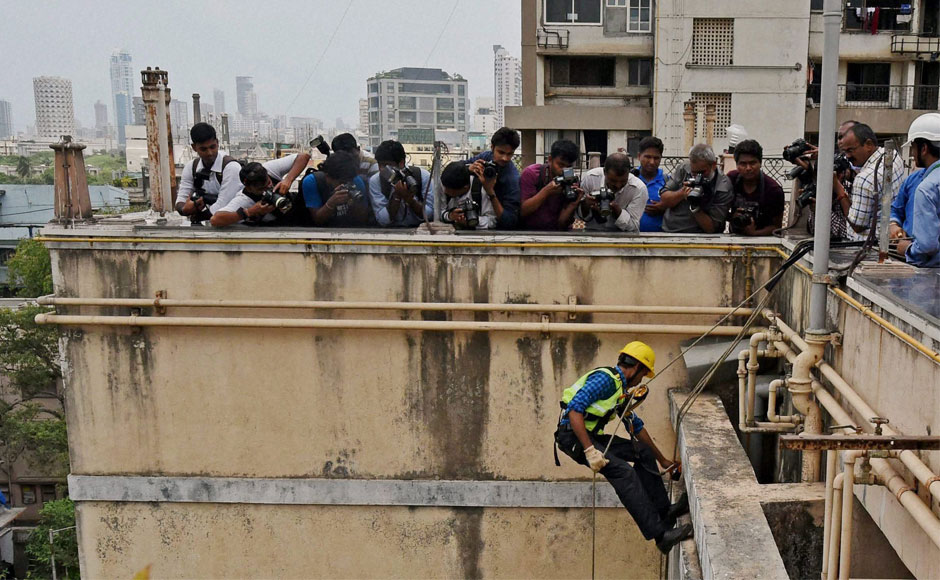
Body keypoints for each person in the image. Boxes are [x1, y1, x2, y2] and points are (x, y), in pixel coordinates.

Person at [554, 341, 692, 554]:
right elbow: (574, 411)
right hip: (573, 437)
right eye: (643, 375)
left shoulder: (619, 389)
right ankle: (661, 536)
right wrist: (590, 451)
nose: (641, 381)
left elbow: (635, 426)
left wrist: (663, 460)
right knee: (624, 473)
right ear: (636, 368)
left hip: (590, 437)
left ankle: (665, 511)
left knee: (643, 452)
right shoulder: (605, 381)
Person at [833, 123, 905, 241]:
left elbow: (857, 225)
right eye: (845, 151)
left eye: (851, 150)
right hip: (888, 235)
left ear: (868, 144)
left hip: (867, 245)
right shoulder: (892, 155)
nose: (847, 156)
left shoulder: (864, 179)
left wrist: (839, 189)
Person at [897, 113, 940, 267]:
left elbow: (927, 246)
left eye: (913, 148)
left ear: (924, 148)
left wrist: (907, 249)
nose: (913, 154)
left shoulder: (926, 188)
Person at [659, 144, 734, 234]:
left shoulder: (723, 185)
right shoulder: (685, 168)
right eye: (693, 173)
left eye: (702, 172)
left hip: (703, 237)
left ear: (713, 165)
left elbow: (711, 228)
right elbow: (664, 199)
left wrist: (695, 205)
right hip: (671, 230)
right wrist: (682, 193)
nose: (697, 177)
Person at [175, 123, 242, 223]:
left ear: (217, 143)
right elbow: (181, 200)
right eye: (203, 149)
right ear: (194, 147)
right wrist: (185, 209)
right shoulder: (192, 167)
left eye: (212, 147)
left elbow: (222, 206)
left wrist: (196, 216)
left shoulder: (231, 167)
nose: (209, 153)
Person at [518, 139, 583, 230]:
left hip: (556, 234)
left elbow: (562, 224)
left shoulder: (571, 181)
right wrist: (546, 191)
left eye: (568, 167)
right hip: (530, 233)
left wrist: (572, 204)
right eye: (560, 165)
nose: (564, 170)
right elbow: (522, 211)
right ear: (549, 159)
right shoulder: (532, 173)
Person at [465, 127, 521, 229]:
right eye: (501, 152)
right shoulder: (485, 157)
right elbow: (457, 169)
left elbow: (509, 221)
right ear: (492, 147)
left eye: (510, 154)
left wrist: (490, 191)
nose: (505, 158)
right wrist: (469, 168)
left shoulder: (512, 178)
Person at [726, 139, 785, 236]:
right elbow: (718, 211)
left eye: (752, 163)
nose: (748, 168)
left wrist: (754, 233)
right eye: (743, 164)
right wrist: (733, 217)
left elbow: (777, 227)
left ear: (760, 163)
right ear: (737, 165)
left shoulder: (773, 190)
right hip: (734, 237)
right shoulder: (731, 180)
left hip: (764, 240)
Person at [578, 152, 648, 232]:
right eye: (613, 181)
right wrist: (586, 205)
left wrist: (617, 211)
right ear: (604, 172)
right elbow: (580, 216)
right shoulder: (590, 178)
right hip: (592, 232)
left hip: (625, 236)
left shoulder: (638, 188)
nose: (618, 185)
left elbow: (633, 226)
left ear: (629, 173)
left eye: (623, 181)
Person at [368, 140, 433, 227]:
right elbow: (382, 220)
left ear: (401, 163)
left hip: (420, 229)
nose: (382, 169)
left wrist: (410, 200)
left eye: (386, 165)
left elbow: (430, 214)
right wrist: (397, 196)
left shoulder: (423, 176)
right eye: (380, 165)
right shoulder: (376, 181)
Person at [299, 151, 372, 227]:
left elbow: (363, 218)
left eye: (348, 182)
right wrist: (331, 203)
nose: (344, 185)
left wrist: (354, 203)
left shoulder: (356, 180)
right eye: (341, 182)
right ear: (328, 177)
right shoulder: (313, 182)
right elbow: (317, 220)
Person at [209, 163, 282, 227]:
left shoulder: (271, 169)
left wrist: (288, 179)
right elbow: (215, 220)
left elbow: (294, 159)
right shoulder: (245, 199)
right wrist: (250, 212)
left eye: (269, 183)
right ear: (249, 189)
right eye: (261, 189)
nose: (268, 189)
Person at [439, 161, 496, 230]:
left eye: (451, 191)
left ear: (465, 187)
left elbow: (492, 220)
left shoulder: (481, 189)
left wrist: (471, 221)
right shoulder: (444, 184)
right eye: (445, 188)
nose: (445, 191)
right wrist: (450, 216)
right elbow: (439, 212)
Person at [635, 137, 668, 232]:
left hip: (661, 240)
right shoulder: (630, 180)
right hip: (631, 239)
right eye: (648, 157)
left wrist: (664, 208)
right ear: (639, 156)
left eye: (656, 158)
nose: (652, 162)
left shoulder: (668, 182)